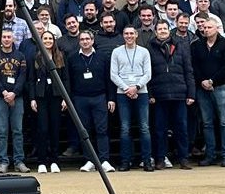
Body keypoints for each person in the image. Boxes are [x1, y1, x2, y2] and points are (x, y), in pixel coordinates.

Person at [145, 18, 193, 170]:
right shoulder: (149, 49)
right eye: (159, 29)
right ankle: (160, 158)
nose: (162, 31)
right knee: (160, 129)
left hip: (179, 93)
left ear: (169, 30)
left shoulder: (180, 47)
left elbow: (188, 71)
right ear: (155, 32)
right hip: (159, 95)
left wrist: (191, 93)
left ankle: (183, 158)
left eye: (165, 29)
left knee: (182, 128)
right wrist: (150, 94)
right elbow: (147, 74)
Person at [66, 28, 112, 172]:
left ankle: (104, 160)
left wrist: (111, 98)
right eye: (82, 39)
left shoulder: (102, 57)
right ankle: (89, 160)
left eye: (87, 39)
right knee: (85, 131)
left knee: (102, 129)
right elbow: (69, 80)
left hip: (100, 97)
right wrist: (70, 99)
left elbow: (108, 79)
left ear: (92, 41)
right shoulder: (72, 58)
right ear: (79, 42)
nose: (85, 41)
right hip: (80, 98)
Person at [190, 16, 225, 167]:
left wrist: (212, 81)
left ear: (216, 29)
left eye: (209, 27)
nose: (206, 30)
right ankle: (210, 155)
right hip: (202, 88)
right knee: (207, 123)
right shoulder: (196, 45)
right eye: (205, 28)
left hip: (220, 87)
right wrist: (203, 80)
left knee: (224, 122)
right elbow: (194, 66)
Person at [108, 24, 152, 172]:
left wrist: (136, 87)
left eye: (131, 33)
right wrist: (126, 88)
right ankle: (125, 161)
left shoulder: (144, 52)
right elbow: (113, 74)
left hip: (141, 92)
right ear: (123, 36)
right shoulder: (116, 52)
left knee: (144, 127)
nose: (129, 36)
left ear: (136, 35)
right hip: (123, 93)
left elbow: (148, 74)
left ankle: (147, 161)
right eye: (126, 34)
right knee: (125, 128)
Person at [27, 28, 69, 173]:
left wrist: (65, 98)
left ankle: (54, 161)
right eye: (45, 38)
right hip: (41, 97)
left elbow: (65, 79)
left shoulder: (60, 56)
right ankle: (42, 161)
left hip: (56, 97)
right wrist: (32, 98)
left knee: (55, 129)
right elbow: (31, 79)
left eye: (50, 38)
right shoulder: (35, 57)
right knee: (42, 129)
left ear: (54, 40)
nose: (48, 41)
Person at [0, 28, 30, 173]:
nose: (7, 39)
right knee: (2, 131)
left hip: (17, 97)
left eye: (9, 37)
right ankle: (3, 162)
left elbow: (22, 77)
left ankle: (19, 161)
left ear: (13, 39)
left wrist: (14, 93)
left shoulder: (20, 56)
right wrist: (3, 92)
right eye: (4, 37)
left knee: (17, 130)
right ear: (0, 39)